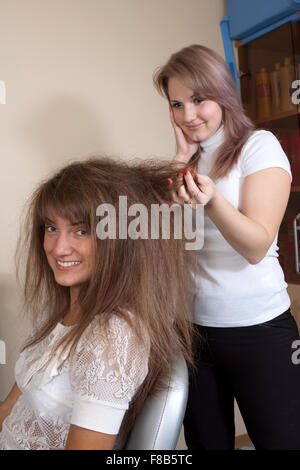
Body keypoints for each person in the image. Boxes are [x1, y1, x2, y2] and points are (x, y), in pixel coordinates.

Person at [153, 44, 300, 450]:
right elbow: (160, 240)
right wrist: (180, 158)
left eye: (199, 99)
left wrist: (214, 200)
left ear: (223, 92)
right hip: (195, 333)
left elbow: (256, 245)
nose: (188, 115)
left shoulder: (260, 146)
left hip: (260, 330)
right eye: (177, 104)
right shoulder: (188, 161)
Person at [0, 156, 198, 450]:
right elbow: (8, 412)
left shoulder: (113, 337)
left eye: (81, 231)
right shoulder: (69, 313)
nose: (57, 248)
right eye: (51, 228)